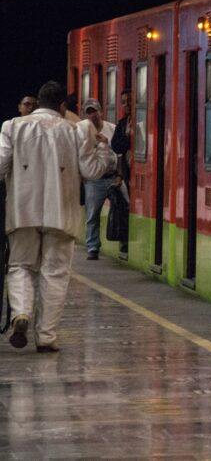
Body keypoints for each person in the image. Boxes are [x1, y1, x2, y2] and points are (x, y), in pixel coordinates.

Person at [0, 81, 115, 352]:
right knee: (55, 273)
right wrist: (104, 150)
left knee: (20, 267)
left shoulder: (12, 126)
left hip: (21, 212)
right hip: (61, 214)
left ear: (39, 103)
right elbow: (92, 171)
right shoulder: (76, 131)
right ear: (63, 107)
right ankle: (46, 337)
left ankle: (22, 313)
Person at [81, 98, 117, 260]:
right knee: (92, 214)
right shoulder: (82, 133)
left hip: (113, 176)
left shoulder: (112, 129)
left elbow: (119, 153)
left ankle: (123, 241)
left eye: (94, 111)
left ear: (100, 111)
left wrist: (106, 144)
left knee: (124, 205)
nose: (92, 115)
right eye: (88, 112)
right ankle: (93, 246)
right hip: (94, 179)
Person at [111, 89, 132, 253]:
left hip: (136, 172)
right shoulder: (123, 123)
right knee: (124, 207)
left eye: (130, 101)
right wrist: (128, 138)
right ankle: (124, 239)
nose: (127, 105)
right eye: (124, 102)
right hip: (125, 173)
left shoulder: (146, 120)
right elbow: (116, 145)